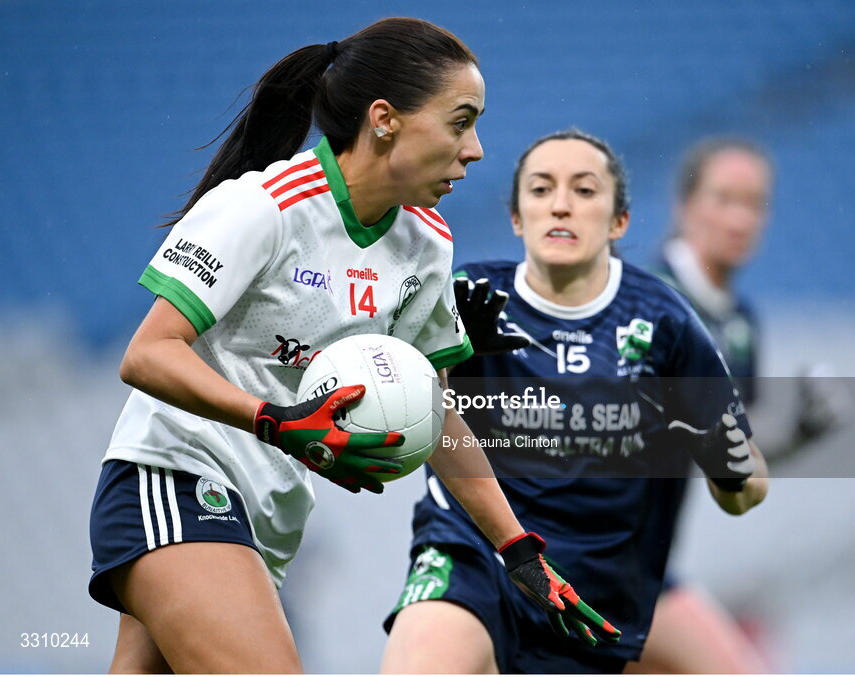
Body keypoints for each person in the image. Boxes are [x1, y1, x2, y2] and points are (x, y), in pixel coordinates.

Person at [87, 20, 617, 674]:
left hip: (264, 518)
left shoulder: (426, 242)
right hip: (177, 477)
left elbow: (439, 414)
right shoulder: (267, 207)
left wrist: (518, 550)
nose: (476, 149)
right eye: (459, 122)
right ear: (385, 119)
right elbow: (148, 354)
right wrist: (276, 422)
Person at [381, 129, 769, 674]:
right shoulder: (466, 297)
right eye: (540, 190)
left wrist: (732, 471)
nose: (560, 204)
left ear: (619, 221)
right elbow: (412, 414)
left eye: (584, 191)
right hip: (478, 556)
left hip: (598, 586)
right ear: (517, 217)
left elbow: (748, 481)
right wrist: (438, 360)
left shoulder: (667, 321)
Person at [638, 137, 849, 673]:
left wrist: (800, 431)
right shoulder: (642, 300)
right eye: (724, 198)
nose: (740, 217)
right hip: (578, 554)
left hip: (641, 567)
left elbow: (728, 462)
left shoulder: (740, 326)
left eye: (754, 203)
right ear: (685, 206)